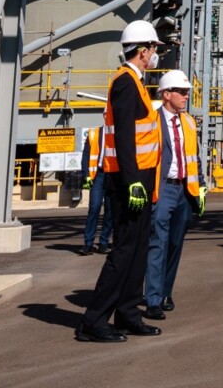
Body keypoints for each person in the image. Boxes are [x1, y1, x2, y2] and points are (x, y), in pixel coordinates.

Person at [77, 19, 165, 342]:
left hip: (138, 177)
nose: (156, 53)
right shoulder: (127, 82)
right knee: (124, 250)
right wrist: (133, 182)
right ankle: (94, 320)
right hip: (128, 180)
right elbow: (125, 137)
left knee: (139, 248)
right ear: (143, 51)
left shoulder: (136, 82)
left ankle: (127, 314)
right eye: (154, 48)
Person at [144, 70, 205, 321]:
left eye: (187, 91)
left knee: (175, 244)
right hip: (163, 190)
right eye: (181, 91)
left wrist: (200, 186)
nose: (186, 95)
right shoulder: (152, 120)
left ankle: (165, 292)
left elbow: (195, 157)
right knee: (158, 243)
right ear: (166, 94)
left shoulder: (189, 121)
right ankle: (153, 300)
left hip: (184, 191)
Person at [79, 126, 113, 257]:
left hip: (112, 175)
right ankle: (88, 244)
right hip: (97, 175)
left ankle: (103, 243)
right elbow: (86, 154)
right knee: (94, 207)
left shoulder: (118, 131)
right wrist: (86, 174)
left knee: (110, 210)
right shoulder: (94, 134)